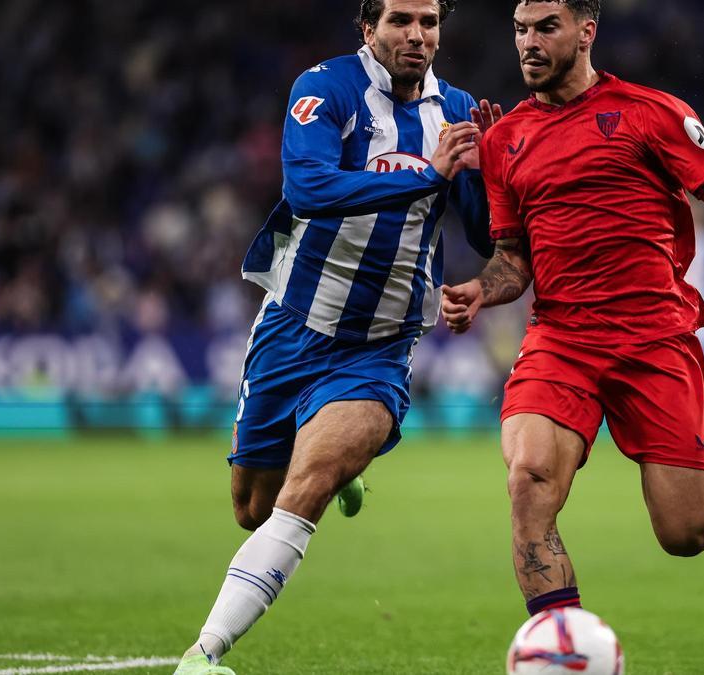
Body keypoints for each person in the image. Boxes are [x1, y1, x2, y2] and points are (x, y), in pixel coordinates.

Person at [441, 0, 704, 618]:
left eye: (547, 28)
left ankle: (701, 443)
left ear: (586, 32)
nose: (529, 43)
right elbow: (515, 260)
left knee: (686, 535)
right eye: (520, 30)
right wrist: (481, 290)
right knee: (528, 480)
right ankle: (560, 645)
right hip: (562, 338)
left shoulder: (651, 113)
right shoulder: (506, 138)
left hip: (654, 340)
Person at [172, 1, 499, 673]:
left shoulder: (457, 109)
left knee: (306, 488)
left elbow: (484, 232)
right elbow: (310, 187)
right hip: (293, 324)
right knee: (250, 507)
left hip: (380, 343)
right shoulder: (325, 88)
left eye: (430, 22)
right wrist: (427, 174)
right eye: (401, 19)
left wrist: (493, 172)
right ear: (367, 28)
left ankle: (203, 655)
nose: (417, 35)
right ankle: (340, 458)